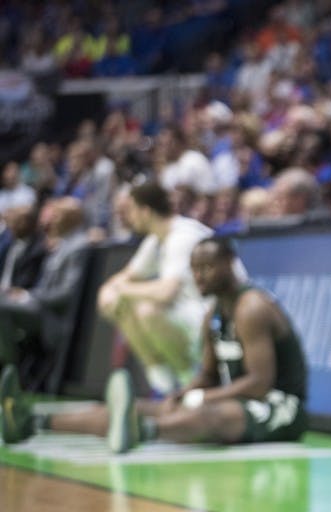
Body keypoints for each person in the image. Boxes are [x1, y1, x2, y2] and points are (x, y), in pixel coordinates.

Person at [1, 237, 308, 453]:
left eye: (207, 268)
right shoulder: (214, 313)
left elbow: (259, 384)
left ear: (229, 264)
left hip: (280, 409)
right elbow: (209, 375)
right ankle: (32, 421)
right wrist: (183, 393)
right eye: (194, 268)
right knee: (138, 406)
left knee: (207, 415)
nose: (198, 276)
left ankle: (143, 432)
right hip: (236, 401)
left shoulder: (251, 307)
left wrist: (202, 397)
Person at [97, 181, 214, 395]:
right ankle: (163, 382)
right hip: (191, 318)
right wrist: (110, 290)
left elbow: (165, 293)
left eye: (130, 210)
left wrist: (121, 290)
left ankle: (189, 380)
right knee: (126, 304)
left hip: (213, 320)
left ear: (145, 211)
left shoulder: (182, 237)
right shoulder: (156, 240)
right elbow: (125, 276)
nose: (128, 217)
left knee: (147, 309)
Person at [0, 198, 90, 381]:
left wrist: (28, 296)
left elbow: (68, 293)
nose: (50, 221)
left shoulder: (79, 246)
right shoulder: (62, 245)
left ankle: (12, 372)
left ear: (70, 218)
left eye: (56, 216)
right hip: (41, 308)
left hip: (54, 316)